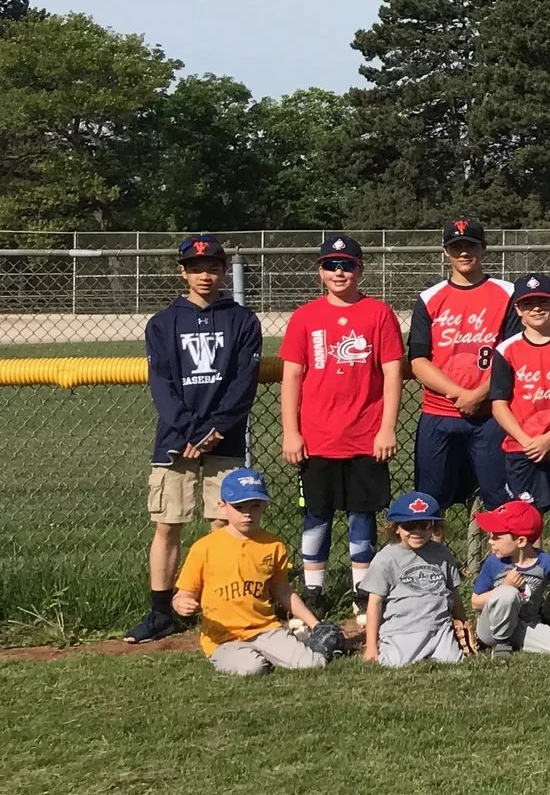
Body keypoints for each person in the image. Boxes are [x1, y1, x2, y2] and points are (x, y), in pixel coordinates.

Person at [131, 234, 261, 643]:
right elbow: (163, 385)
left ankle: (218, 607)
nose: (205, 275)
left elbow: (243, 384)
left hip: (224, 437)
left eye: (213, 267)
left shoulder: (242, 320)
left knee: (222, 524)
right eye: (195, 268)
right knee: (168, 524)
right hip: (176, 439)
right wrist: (191, 430)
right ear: (182, 272)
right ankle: (161, 611)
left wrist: (214, 430)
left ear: (224, 271)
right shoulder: (163, 323)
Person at [279, 235, 404, 605]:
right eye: (332, 265)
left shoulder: (378, 313)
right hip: (317, 437)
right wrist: (291, 432)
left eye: (347, 264)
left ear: (360, 269)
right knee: (316, 516)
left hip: (365, 436)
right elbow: (292, 377)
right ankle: (314, 589)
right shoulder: (305, 317)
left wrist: (387, 427)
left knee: (361, 516)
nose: (339, 271)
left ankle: (362, 590)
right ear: (320, 271)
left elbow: (393, 374)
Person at [406, 219, 521, 518]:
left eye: (470, 245)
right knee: (429, 504)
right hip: (438, 414)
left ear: (483, 249)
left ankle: (503, 564)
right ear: (446, 252)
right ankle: (433, 565)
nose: (464, 252)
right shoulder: (430, 298)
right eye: (456, 247)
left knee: (502, 502)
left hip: (491, 416)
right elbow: (418, 360)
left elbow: (513, 356)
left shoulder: (508, 293)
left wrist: (480, 395)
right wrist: (460, 394)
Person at [486, 273, 550, 585]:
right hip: (522, 448)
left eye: (542, 301)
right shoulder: (507, 349)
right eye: (528, 303)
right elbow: (499, 403)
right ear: (518, 309)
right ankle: (536, 591)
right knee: (529, 524)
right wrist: (527, 440)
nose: (536, 308)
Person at [173, 470, 328, 676]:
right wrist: (180, 603)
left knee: (313, 664)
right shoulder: (204, 548)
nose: (247, 513)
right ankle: (261, 652)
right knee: (253, 667)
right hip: (223, 637)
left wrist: (315, 624)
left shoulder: (273, 544)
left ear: (265, 505)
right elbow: (184, 594)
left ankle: (291, 642)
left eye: (255, 506)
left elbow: (283, 591)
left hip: (265, 629)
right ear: (222, 507)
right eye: (239, 507)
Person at [362, 491, 465, 666]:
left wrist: (463, 622)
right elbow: (375, 603)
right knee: (393, 665)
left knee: (454, 662)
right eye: (409, 526)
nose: (417, 531)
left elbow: (453, 594)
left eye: (424, 524)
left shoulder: (442, 554)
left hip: (439, 628)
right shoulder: (386, 558)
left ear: (434, 526)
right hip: (403, 629)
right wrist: (371, 645)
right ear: (396, 527)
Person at [469, 499, 550, 657]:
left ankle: (515, 642)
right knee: (508, 594)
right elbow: (475, 603)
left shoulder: (548, 564)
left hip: (524, 625)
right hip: (490, 628)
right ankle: (502, 645)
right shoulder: (494, 563)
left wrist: (547, 611)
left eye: (497, 537)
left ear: (521, 540)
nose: (490, 541)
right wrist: (504, 586)